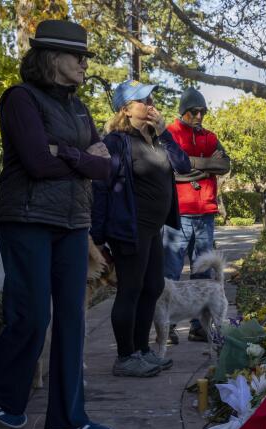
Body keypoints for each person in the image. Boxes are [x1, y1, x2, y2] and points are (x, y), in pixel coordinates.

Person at [0, 20, 114, 429]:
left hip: (74, 223)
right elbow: (36, 163)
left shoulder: (78, 107)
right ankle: (2, 391)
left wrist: (66, 152)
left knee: (73, 319)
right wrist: (81, 158)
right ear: (53, 58)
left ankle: (68, 418)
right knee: (33, 314)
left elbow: (106, 165)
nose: (84, 65)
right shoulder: (20, 99)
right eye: (78, 57)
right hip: (27, 219)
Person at [91, 80, 192, 378]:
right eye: (142, 100)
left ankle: (141, 350)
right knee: (131, 290)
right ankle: (125, 357)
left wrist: (164, 133)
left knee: (153, 287)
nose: (150, 103)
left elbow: (183, 166)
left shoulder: (157, 139)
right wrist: (97, 238)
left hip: (153, 229)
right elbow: (101, 189)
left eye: (150, 97)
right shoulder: (115, 142)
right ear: (124, 108)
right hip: (128, 229)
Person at [163, 87, 231, 344]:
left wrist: (189, 164)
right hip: (179, 212)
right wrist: (204, 166)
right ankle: (167, 325)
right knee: (171, 271)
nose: (199, 115)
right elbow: (171, 169)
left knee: (202, 271)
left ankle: (198, 326)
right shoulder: (170, 133)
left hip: (205, 212)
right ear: (184, 111)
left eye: (203, 111)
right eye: (194, 111)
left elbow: (224, 164)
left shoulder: (210, 136)